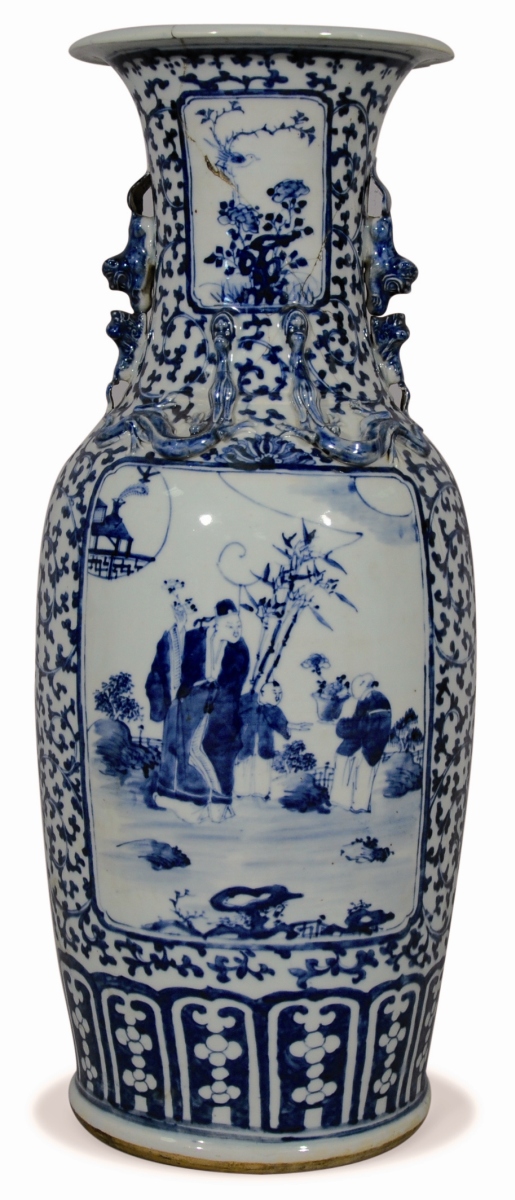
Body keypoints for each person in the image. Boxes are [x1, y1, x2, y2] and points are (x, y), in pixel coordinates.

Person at [151, 600, 250, 823]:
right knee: (189, 750)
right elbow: (176, 659)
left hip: (221, 711)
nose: (236, 631)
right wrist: (180, 625)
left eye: (238, 626)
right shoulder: (197, 638)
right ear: (216, 623)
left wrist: (217, 698)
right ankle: (197, 799)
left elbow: (233, 688)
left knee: (213, 752)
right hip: (192, 706)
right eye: (230, 626)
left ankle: (220, 799)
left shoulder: (240, 650)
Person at [331, 673, 391, 813]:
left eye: (354, 688)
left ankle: (360, 805)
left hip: (371, 744)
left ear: (363, 685)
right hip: (361, 741)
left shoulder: (378, 700)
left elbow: (366, 727)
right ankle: (341, 799)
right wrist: (345, 727)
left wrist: (343, 727)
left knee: (364, 773)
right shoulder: (364, 700)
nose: (352, 692)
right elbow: (357, 723)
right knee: (342, 756)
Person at [234, 681, 291, 800]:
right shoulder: (247, 700)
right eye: (275, 693)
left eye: (280, 693)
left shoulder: (274, 710)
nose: (278, 696)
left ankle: (261, 791)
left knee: (263, 768)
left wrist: (289, 729)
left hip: (265, 745)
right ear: (263, 693)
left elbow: (282, 726)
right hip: (245, 743)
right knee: (243, 767)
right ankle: (241, 791)